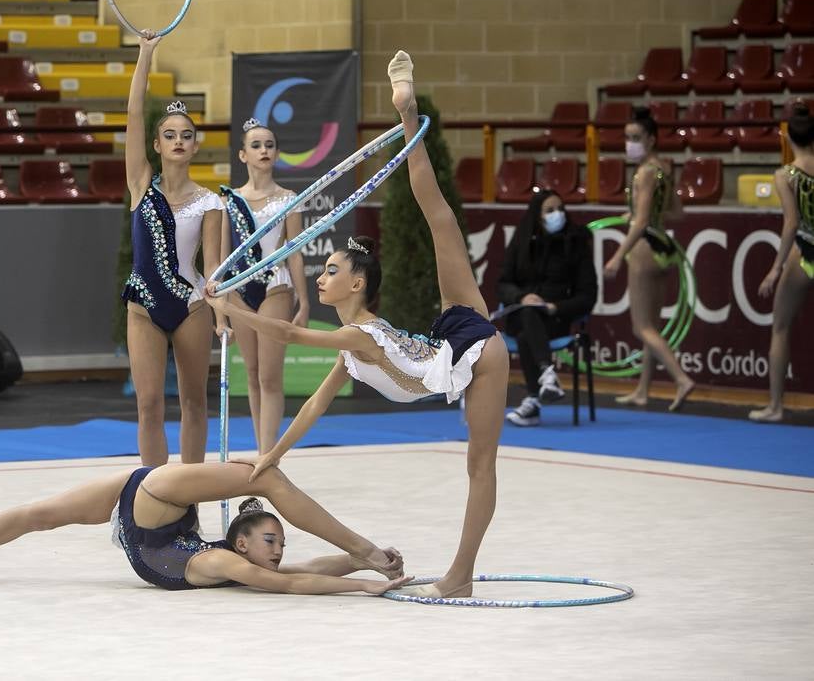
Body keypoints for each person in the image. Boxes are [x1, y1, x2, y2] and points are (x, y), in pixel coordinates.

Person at [206, 51, 510, 600]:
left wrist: (231, 309)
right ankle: (407, 117)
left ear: (356, 286)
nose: (320, 277)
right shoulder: (355, 346)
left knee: (479, 466)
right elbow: (313, 407)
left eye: (330, 271)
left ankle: (460, 576)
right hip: (451, 331)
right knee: (437, 217)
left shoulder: (357, 336)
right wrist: (272, 457)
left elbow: (294, 334)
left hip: (479, 353)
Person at [0, 460, 410, 596]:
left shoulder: (226, 561)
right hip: (152, 501)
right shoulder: (224, 563)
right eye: (271, 541)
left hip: (147, 505)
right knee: (267, 477)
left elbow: (297, 572)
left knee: (37, 515)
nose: (277, 552)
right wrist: (365, 576)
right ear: (242, 540)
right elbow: (293, 580)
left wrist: (361, 572)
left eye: (277, 544)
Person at [123, 31, 222, 466]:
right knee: (148, 407)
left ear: (195, 145)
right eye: (169, 134)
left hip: (191, 306)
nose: (178, 140)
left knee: (194, 403)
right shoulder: (141, 185)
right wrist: (146, 54)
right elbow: (132, 113)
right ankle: (151, 498)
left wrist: (224, 315)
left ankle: (190, 495)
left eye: (186, 134)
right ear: (157, 144)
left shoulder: (211, 202)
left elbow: (215, 268)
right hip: (143, 306)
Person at [218, 118, 311, 451]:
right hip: (241, 291)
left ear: (277, 153)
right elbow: (225, 259)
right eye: (256, 146)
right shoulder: (229, 201)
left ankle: (269, 455)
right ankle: (262, 449)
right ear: (243, 155)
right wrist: (222, 311)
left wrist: (304, 300)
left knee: (270, 376)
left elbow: (295, 252)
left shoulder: (289, 198)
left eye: (269, 145)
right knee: (254, 374)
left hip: (276, 286)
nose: (263, 150)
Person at [604, 107, 697, 412]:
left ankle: (681, 379)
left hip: (643, 249)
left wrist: (617, 256)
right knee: (653, 326)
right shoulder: (664, 168)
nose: (630, 143)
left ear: (651, 139)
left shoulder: (645, 172)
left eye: (636, 138)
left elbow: (641, 223)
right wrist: (639, 215)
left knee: (641, 327)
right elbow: (677, 213)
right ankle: (643, 390)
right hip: (664, 248)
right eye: (627, 137)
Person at [498, 191, 598, 427]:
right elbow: (503, 284)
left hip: (556, 318)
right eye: (550, 210)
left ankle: (536, 395)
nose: (558, 215)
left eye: (560, 209)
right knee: (528, 313)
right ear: (537, 216)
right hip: (520, 314)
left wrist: (556, 307)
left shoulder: (576, 244)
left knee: (526, 333)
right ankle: (546, 378)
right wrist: (521, 297)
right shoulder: (522, 241)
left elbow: (588, 296)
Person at [752, 102, 814, 422]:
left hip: (805, 254)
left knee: (780, 327)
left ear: (788, 138)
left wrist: (775, 269)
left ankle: (776, 406)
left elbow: (791, 223)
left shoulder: (785, 175)